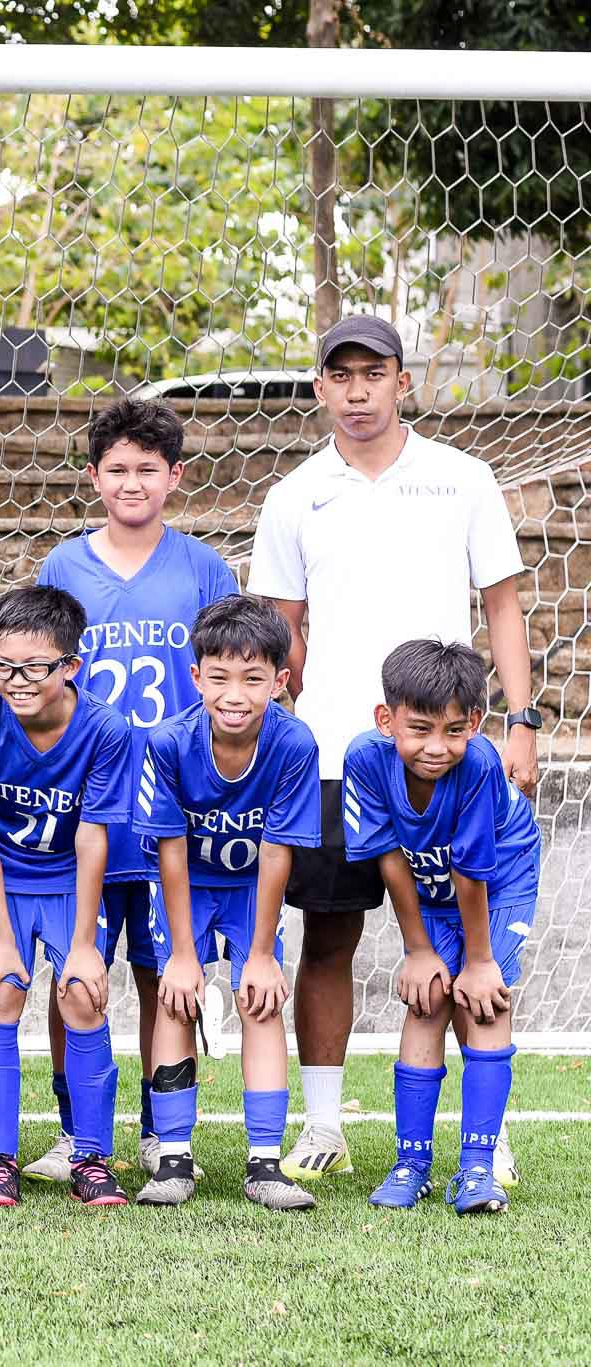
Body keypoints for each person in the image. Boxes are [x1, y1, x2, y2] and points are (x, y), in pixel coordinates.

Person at [248, 315, 538, 1187]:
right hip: (340, 753)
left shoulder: (464, 478)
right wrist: (291, 728)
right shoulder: (296, 493)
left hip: (446, 749)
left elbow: (503, 607)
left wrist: (520, 721)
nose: (359, 389)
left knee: (456, 938)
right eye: (342, 375)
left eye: (375, 373)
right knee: (329, 936)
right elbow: (279, 631)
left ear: (403, 381)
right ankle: (325, 1121)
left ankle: (485, 1135)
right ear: (320, 389)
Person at [32, 399, 238, 1183]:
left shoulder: (203, 569)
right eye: (116, 468)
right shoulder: (63, 568)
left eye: (148, 468)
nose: (131, 482)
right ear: (92, 476)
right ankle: (73, 1126)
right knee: (73, 966)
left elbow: (225, 680)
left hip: (168, 809)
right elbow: (42, 685)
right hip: (81, 801)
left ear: (175, 476)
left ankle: (160, 1125)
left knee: (160, 969)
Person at [128, 596, 319, 1211]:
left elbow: (276, 853)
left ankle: (265, 1161)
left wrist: (261, 953)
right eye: (219, 677)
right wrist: (184, 954)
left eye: (254, 678)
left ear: (280, 682)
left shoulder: (293, 745)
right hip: (188, 886)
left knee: (261, 1002)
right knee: (176, 998)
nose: (235, 693)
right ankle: (173, 1154)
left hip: (251, 891)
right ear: (196, 678)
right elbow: (171, 854)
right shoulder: (169, 742)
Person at [0, 586, 137, 1208]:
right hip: (5, 882)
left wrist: (86, 944)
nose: (17, 681)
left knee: (84, 997)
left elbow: (93, 838)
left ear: (71, 667)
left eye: (35, 668)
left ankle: (91, 1156)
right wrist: (0, 936)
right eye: (4, 666)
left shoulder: (106, 729)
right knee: (2, 988)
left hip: (67, 883)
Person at [352, 641, 538, 1216]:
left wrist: (479, 963)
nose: (438, 747)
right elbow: (387, 856)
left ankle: (478, 1168)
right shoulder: (364, 759)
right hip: (428, 882)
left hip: (499, 879)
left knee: (486, 1003)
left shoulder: (479, 764)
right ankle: (412, 1164)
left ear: (475, 725)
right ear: (386, 721)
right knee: (427, 997)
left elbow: (472, 870)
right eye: (420, 730)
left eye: (454, 731)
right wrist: (417, 950)